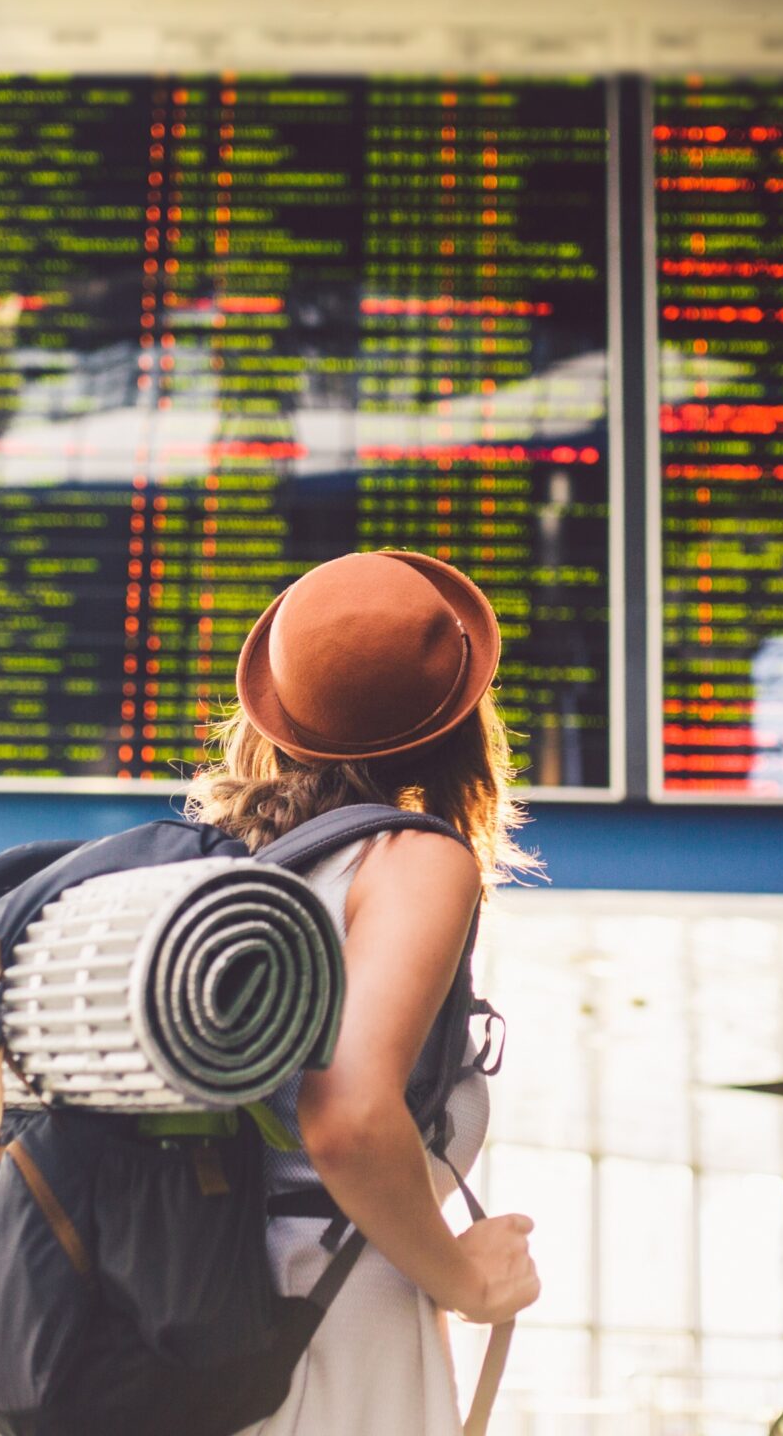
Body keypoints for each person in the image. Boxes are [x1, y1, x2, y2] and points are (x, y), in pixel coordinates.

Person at [184, 550, 543, 1435]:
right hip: (333, 1327)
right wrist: (465, 1280)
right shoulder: (414, 859)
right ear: (463, 717)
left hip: (214, 1319)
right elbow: (345, 1117)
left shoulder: (235, 873)